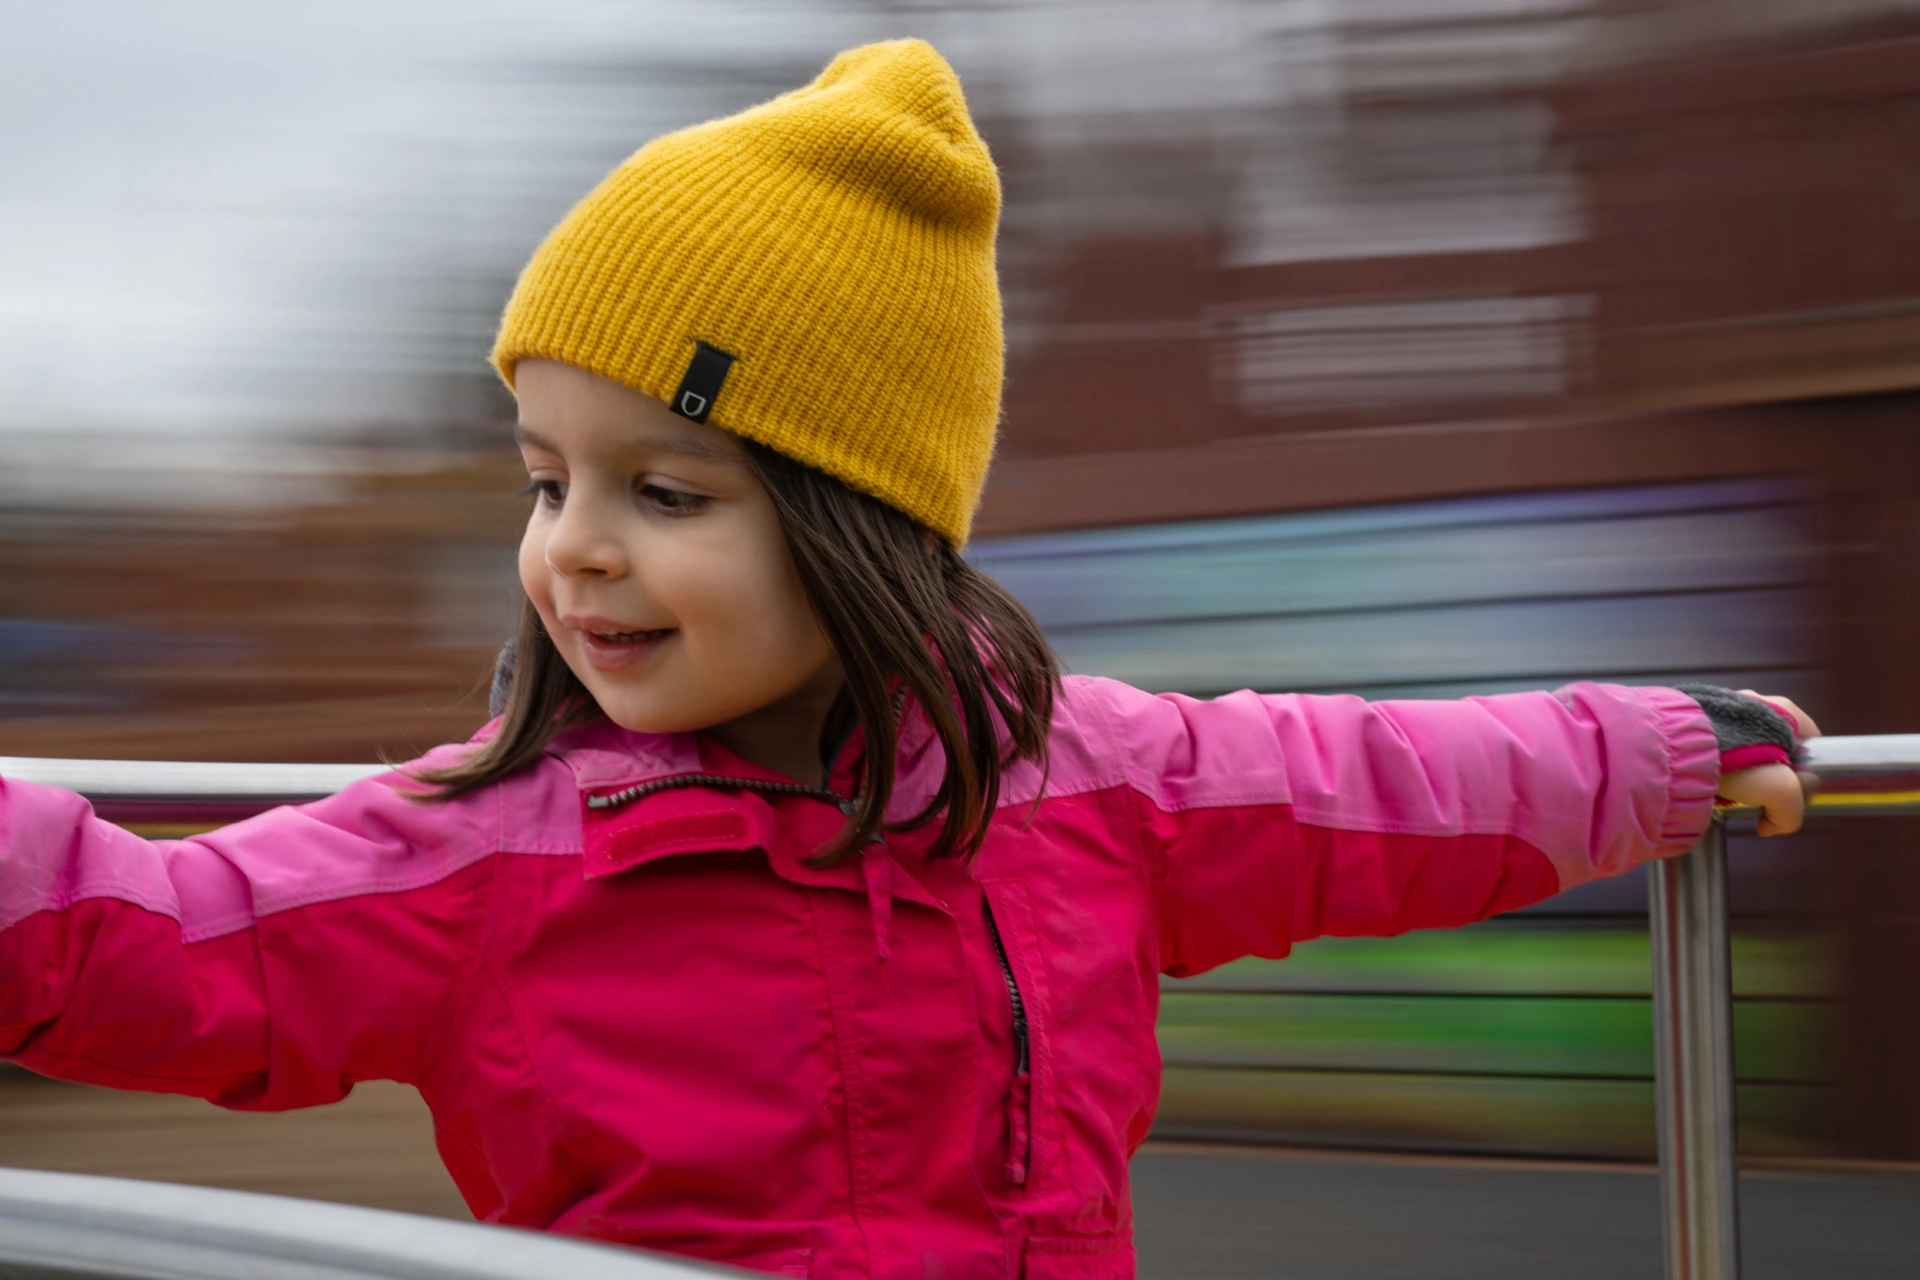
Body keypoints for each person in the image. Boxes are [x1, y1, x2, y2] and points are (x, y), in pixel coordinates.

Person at [0, 38, 1818, 1280]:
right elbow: (150, 943)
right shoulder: (482, 854)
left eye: (669, 488)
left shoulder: (1090, 783)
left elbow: (1377, 787)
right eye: (548, 481)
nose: (579, 549)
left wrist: (1654, 748)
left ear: (864, 521)